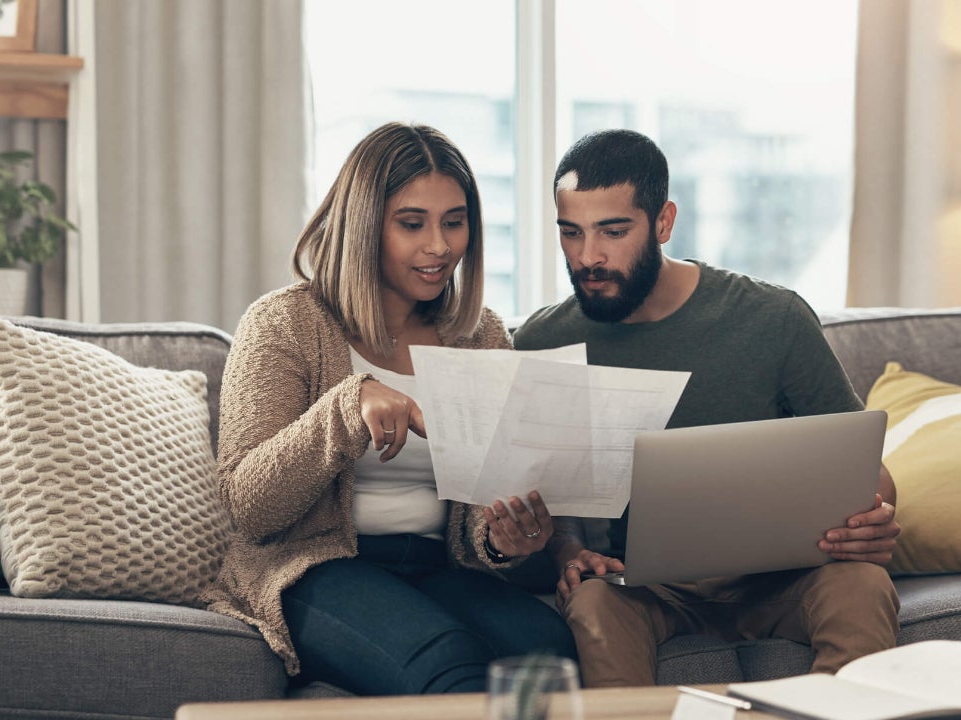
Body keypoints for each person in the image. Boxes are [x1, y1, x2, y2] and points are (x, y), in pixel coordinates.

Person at [513, 128, 901, 688]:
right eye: (570, 233)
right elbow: (539, 495)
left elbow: (872, 475)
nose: (588, 257)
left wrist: (874, 518)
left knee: (862, 585)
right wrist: (569, 551)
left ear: (664, 222)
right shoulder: (542, 343)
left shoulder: (773, 319)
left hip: (784, 579)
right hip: (641, 589)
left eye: (613, 231)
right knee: (592, 605)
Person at [202, 122, 576, 696]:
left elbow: (479, 500)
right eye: (411, 224)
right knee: (452, 664)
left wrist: (501, 537)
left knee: (546, 646)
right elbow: (249, 505)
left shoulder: (479, 336)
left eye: (454, 221)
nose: (439, 246)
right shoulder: (283, 324)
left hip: (435, 568)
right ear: (363, 227)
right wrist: (348, 408)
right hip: (313, 568)